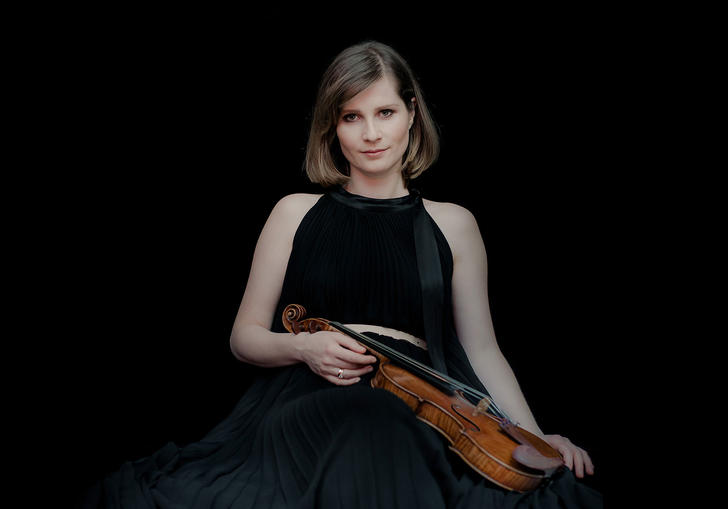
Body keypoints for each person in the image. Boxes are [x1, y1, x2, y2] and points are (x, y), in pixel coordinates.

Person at [86, 40, 602, 508]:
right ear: (332, 127)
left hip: (424, 409)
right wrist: (302, 348)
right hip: (306, 401)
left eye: (385, 112)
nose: (372, 133)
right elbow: (243, 338)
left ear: (412, 114)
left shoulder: (454, 224)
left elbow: (483, 349)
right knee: (365, 422)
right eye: (352, 117)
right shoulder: (294, 212)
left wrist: (533, 438)